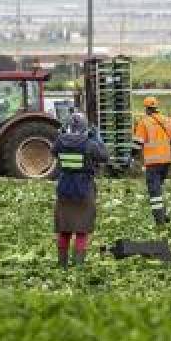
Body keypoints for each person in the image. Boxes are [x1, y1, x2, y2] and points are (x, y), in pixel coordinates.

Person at [52, 112, 109, 267]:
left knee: (64, 229)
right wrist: (97, 137)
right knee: (81, 230)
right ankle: (78, 266)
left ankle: (62, 265)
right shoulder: (89, 144)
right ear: (85, 127)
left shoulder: (60, 142)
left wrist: (63, 135)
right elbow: (104, 156)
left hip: (64, 189)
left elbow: (53, 151)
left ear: (68, 126)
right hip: (84, 190)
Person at [132, 96, 171, 225]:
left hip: (152, 163)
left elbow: (137, 143)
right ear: (156, 107)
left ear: (146, 109)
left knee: (154, 192)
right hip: (166, 161)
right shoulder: (168, 121)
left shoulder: (144, 122)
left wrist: (131, 157)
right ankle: (163, 214)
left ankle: (159, 220)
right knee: (158, 188)